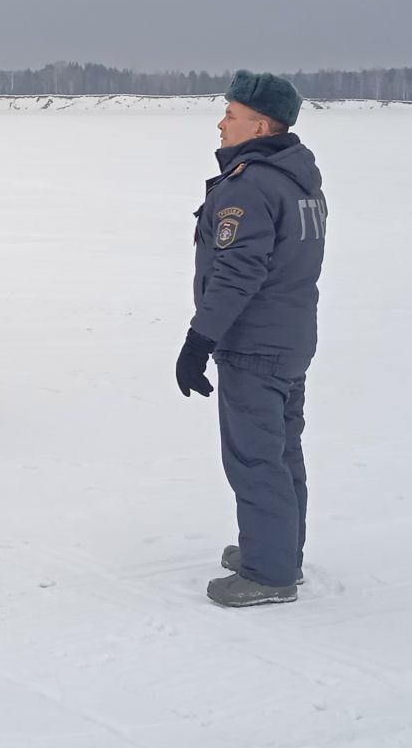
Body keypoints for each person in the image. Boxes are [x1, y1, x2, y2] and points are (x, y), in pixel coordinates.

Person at [178, 70, 326, 608]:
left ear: (261, 124)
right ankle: (279, 550)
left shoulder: (253, 185)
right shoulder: (297, 178)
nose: (221, 123)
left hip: (256, 344)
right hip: (289, 338)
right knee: (282, 451)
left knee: (256, 458)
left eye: (232, 115)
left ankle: (269, 573)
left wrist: (198, 342)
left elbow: (238, 273)